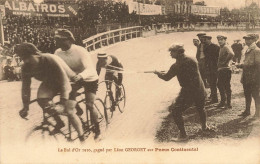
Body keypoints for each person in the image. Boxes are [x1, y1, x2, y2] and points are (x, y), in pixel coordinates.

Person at [16, 43, 86, 142]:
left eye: (28, 57)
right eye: (23, 58)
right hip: (51, 82)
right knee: (42, 100)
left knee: (70, 112)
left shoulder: (49, 59)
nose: (26, 61)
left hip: (69, 80)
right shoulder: (25, 67)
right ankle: (59, 122)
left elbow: (64, 82)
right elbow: (25, 88)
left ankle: (82, 138)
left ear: (37, 54)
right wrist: (25, 106)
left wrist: (62, 103)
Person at [154, 44, 209, 142]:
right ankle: (204, 127)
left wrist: (158, 73)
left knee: (175, 111)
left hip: (189, 92)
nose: (170, 54)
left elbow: (166, 77)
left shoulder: (176, 65)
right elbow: (183, 71)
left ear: (179, 52)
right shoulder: (192, 59)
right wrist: (168, 72)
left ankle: (183, 135)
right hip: (200, 89)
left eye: (172, 52)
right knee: (201, 108)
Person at [54, 29, 101, 139]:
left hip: (89, 77)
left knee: (89, 105)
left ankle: (97, 128)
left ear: (70, 40)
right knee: (69, 101)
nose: (58, 42)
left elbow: (89, 68)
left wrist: (81, 76)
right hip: (74, 78)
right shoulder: (57, 53)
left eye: (61, 40)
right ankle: (78, 110)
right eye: (56, 40)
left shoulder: (80, 51)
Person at [237, 34, 260, 117]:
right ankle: (247, 111)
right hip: (247, 76)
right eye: (246, 39)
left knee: (255, 95)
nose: (247, 41)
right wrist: (241, 65)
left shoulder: (256, 50)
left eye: (249, 39)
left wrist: (256, 78)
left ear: (254, 40)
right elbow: (247, 62)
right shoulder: (247, 49)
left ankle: (258, 112)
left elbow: (258, 65)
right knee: (247, 94)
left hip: (254, 77)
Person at [215, 35, 234, 109]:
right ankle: (223, 102)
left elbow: (231, 54)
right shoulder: (221, 47)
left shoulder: (226, 46)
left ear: (225, 40)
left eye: (221, 40)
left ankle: (228, 103)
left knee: (226, 86)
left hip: (225, 69)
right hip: (221, 69)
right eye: (218, 40)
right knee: (220, 85)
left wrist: (225, 62)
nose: (219, 41)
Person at [203, 35, 220, 104]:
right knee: (211, 83)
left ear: (210, 39)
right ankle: (213, 97)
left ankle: (215, 98)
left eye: (206, 39)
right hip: (209, 67)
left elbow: (218, 57)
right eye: (204, 40)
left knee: (214, 83)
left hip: (214, 67)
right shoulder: (206, 47)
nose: (205, 41)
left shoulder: (216, 47)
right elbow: (206, 58)